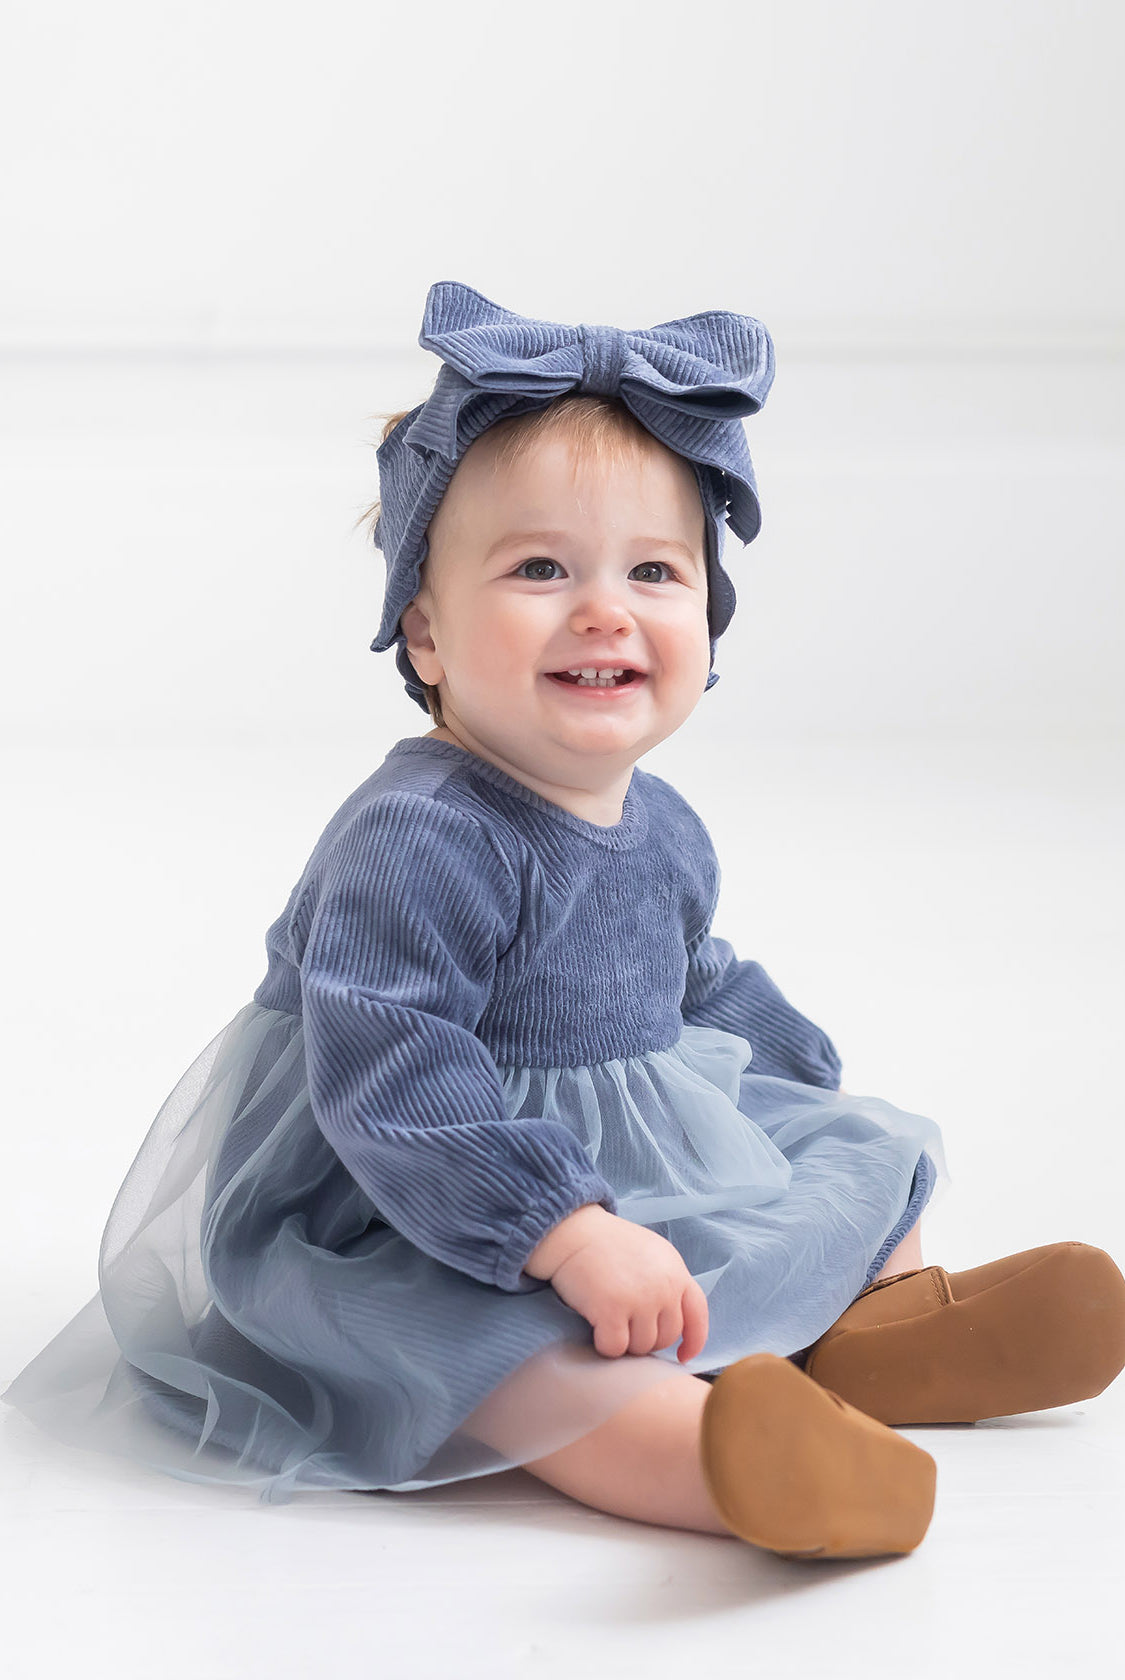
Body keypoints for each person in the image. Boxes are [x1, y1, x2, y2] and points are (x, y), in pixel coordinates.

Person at [6, 281, 1124, 1562]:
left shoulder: (662, 820)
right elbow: (393, 1074)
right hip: (420, 1191)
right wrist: (563, 1231)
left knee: (856, 1153)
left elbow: (688, 971)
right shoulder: (420, 837)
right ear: (424, 633)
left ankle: (879, 1336)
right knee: (514, 1355)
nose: (604, 608)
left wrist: (788, 1066)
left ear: (708, 620)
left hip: (621, 1136)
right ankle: (722, 1462)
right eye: (540, 569)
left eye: (655, 571)